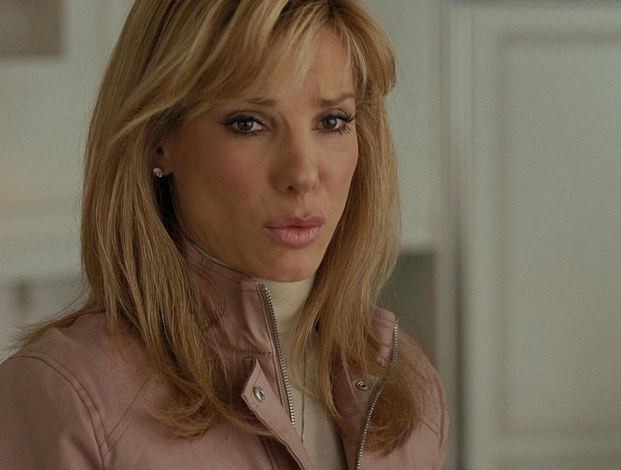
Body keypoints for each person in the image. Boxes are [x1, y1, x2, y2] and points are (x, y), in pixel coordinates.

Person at [0, 0, 449, 468]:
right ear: (159, 138)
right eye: (248, 123)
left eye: (332, 121)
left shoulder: (407, 382)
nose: (302, 173)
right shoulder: (64, 403)